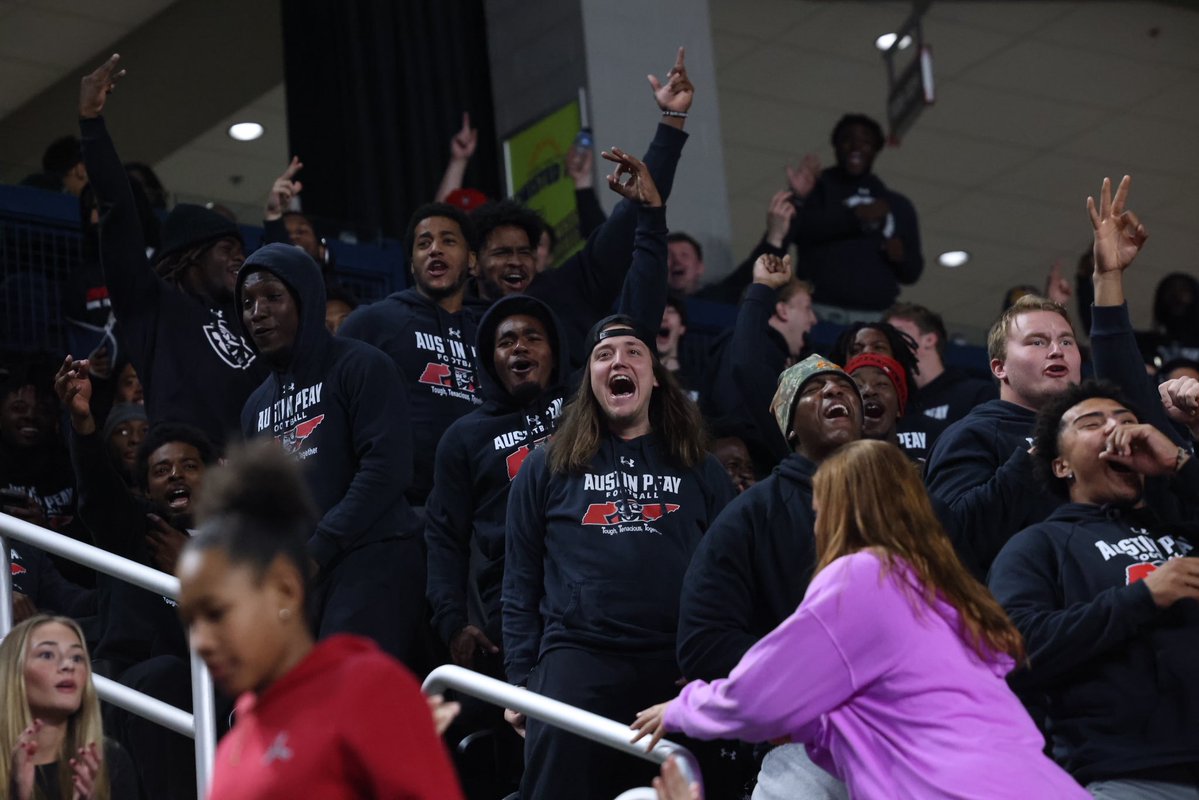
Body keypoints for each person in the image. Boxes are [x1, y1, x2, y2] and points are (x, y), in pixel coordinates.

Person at [633, 440, 1089, 799]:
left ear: (841, 510)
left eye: (818, 512)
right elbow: (884, 718)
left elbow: (760, 697)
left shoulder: (864, 576)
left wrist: (682, 709)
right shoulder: (942, 593)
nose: (816, 527)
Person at [426, 145, 670, 673]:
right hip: (512, 610)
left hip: (599, 585)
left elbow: (641, 321)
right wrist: (452, 622)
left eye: (533, 338)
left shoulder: (586, 400)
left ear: (556, 351)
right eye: (506, 341)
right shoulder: (465, 437)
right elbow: (445, 538)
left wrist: (651, 219)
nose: (520, 348)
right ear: (489, 358)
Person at [503, 314, 733, 800]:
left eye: (634, 352)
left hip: (674, 666)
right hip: (577, 658)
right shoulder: (547, 465)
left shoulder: (702, 469)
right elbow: (519, 580)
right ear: (589, 379)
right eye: (603, 355)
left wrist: (710, 666)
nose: (618, 362)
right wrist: (521, 681)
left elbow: (731, 579)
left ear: (653, 376)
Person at [176, 442, 463, 799]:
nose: (200, 641)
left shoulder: (368, 690)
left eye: (217, 613)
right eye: (192, 620)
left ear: (285, 590)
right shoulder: (232, 747)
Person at [990, 380, 1199, 796]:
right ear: (1061, 466)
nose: (1116, 430)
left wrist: (1179, 462)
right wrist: (1143, 597)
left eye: (1127, 421)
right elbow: (1012, 648)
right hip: (1130, 774)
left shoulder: (1183, 526)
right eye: (1092, 422)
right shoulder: (1037, 545)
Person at [678, 355, 864, 800]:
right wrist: (802, 677)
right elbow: (701, 642)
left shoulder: (909, 505)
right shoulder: (752, 514)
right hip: (808, 750)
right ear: (790, 426)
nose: (834, 392)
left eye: (844, 388)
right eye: (815, 389)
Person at [237, 243, 424, 662]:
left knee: (342, 694)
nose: (257, 312)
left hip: (374, 556)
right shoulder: (254, 407)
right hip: (303, 576)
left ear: (305, 297)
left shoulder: (362, 365)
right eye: (247, 303)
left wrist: (320, 547)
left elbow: (386, 470)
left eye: (272, 297)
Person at [78, 54, 266, 446]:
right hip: (187, 479)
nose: (240, 258)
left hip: (251, 487)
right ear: (191, 254)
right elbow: (118, 214)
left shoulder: (251, 320)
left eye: (242, 248)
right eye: (227, 247)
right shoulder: (153, 307)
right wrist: (91, 123)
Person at [923, 294, 1081, 578]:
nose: (1057, 350)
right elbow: (950, 538)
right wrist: (1031, 462)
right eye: (1037, 341)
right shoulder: (971, 434)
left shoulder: (1101, 431)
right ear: (999, 368)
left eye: (1067, 341)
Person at [788, 114, 923, 321]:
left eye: (866, 142)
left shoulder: (897, 205)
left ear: (876, 149)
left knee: (871, 354)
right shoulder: (815, 190)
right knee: (812, 356)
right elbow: (795, 231)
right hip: (818, 312)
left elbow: (913, 272)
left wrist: (900, 257)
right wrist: (854, 218)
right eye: (847, 140)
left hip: (876, 318)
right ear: (836, 145)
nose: (856, 147)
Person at [0, 615, 137, 800]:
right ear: (14, 672)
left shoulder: (109, 761)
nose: (67, 666)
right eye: (47, 654)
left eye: (77, 658)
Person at [704, 254, 818, 466]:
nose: (813, 320)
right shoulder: (739, 348)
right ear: (782, 310)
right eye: (807, 308)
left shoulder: (788, 359)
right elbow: (735, 418)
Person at [883, 301, 995, 428]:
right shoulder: (896, 406)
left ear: (929, 340)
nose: (889, 342)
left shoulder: (979, 394)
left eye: (897, 333)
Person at [844, 352, 927, 463]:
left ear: (899, 408)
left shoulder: (924, 475)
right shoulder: (826, 475)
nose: (869, 390)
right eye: (857, 385)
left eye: (881, 384)